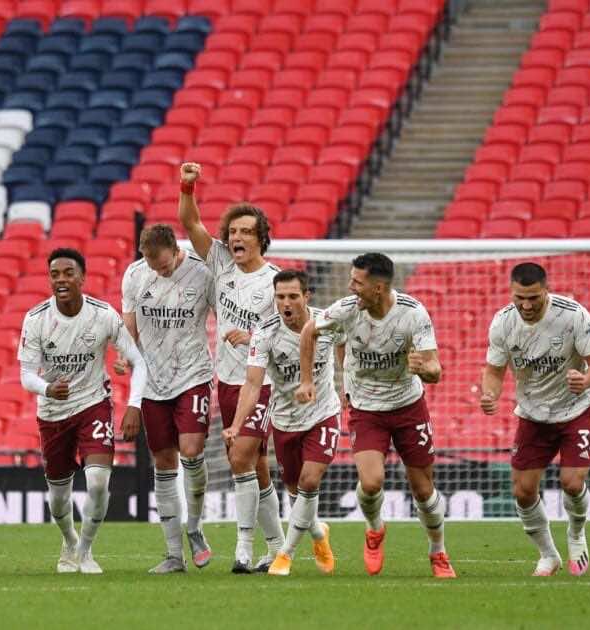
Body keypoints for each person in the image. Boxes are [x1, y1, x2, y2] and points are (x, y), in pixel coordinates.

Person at [296, 253, 456, 578]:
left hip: (408, 406)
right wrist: (307, 380)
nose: (350, 287)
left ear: (378, 288)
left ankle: (437, 551)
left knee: (423, 489)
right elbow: (309, 330)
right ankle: (374, 529)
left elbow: (436, 370)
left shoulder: (413, 313)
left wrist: (424, 369)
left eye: (357, 282)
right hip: (366, 409)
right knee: (371, 483)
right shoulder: (347, 310)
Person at [178, 161, 285, 573]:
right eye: (233, 231)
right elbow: (190, 223)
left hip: (261, 383)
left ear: (261, 239)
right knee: (255, 465)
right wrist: (187, 187)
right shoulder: (221, 262)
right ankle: (277, 546)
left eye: (246, 232)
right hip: (226, 380)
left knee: (239, 458)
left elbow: (290, 333)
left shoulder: (275, 282)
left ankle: (242, 549)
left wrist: (254, 336)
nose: (237, 238)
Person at [19, 248, 147, 574]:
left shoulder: (103, 315)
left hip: (93, 404)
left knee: (99, 482)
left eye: (68, 273)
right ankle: (69, 540)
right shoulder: (36, 319)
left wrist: (134, 405)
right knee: (58, 498)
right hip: (53, 412)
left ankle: (86, 550)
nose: (61, 280)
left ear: (82, 278)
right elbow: (26, 375)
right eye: (54, 275)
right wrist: (47, 388)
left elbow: (137, 360)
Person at [481, 262, 590, 577]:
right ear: (511, 292)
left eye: (533, 298)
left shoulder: (573, 315)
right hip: (534, 414)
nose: (526, 305)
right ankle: (549, 555)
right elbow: (494, 371)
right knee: (523, 491)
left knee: (572, 482)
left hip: (578, 407)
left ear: (546, 291)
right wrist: (490, 394)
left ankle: (576, 534)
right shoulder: (502, 322)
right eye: (519, 298)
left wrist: (587, 380)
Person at [223, 270, 339, 577]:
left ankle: (284, 555)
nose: (286, 303)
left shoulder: (328, 322)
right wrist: (236, 424)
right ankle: (318, 533)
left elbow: (348, 347)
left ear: (306, 297)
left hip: (323, 413)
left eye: (293, 296)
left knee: (309, 481)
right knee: (295, 491)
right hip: (286, 420)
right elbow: (252, 383)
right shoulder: (265, 332)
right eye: (280, 297)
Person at [120, 224, 215, 573]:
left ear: (176, 250)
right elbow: (128, 324)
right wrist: (125, 355)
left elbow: (224, 315)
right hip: (152, 380)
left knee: (191, 449)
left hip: (193, 374)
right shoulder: (135, 274)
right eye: (152, 265)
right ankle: (174, 554)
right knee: (163, 461)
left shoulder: (202, 273)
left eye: (163, 265)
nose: (158, 271)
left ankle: (195, 527)